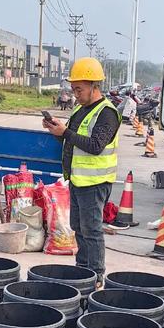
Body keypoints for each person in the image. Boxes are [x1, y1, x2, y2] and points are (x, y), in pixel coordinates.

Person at [42, 57, 120, 285]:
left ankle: (95, 275)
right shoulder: (80, 110)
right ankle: (82, 270)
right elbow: (72, 142)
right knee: (78, 228)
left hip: (95, 184)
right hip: (77, 180)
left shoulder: (107, 112)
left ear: (94, 86)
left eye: (79, 89)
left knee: (92, 230)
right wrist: (57, 132)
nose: (75, 94)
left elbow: (96, 146)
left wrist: (65, 132)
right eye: (73, 89)